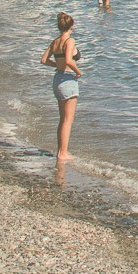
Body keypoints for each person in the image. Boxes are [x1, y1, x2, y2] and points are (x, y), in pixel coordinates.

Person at [40, 12, 81, 164]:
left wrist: (56, 65)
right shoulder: (69, 41)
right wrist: (79, 72)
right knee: (68, 120)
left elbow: (44, 60)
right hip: (68, 80)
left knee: (62, 119)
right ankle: (63, 153)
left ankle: (61, 150)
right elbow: (69, 60)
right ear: (71, 26)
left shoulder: (55, 42)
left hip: (57, 79)